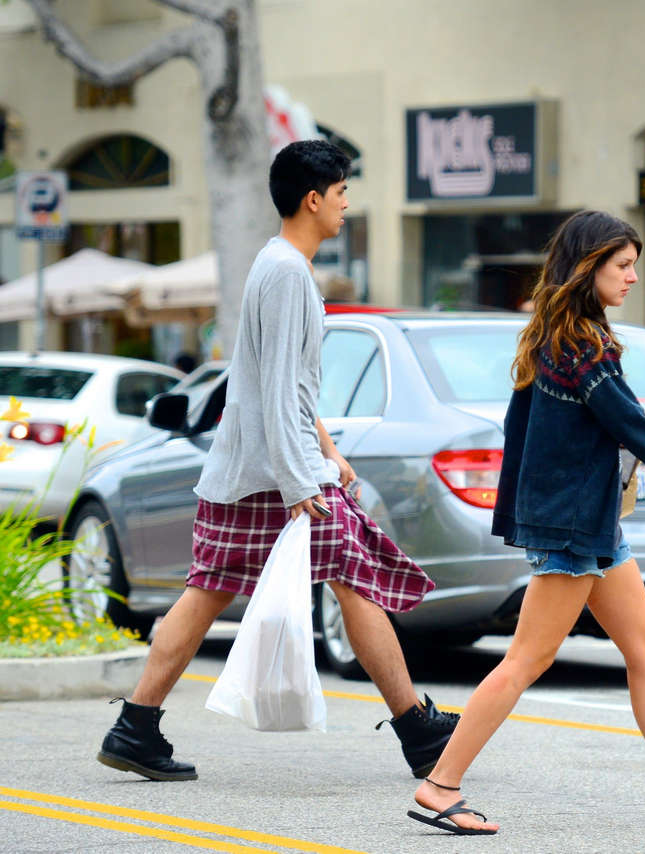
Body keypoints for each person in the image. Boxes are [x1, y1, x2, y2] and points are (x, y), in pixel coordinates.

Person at [97, 140, 458, 783]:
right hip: (277, 478)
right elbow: (279, 388)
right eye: (341, 191)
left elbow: (272, 377)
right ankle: (417, 730)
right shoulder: (289, 271)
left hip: (254, 471)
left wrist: (326, 445)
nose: (347, 202)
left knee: (208, 587)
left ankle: (135, 727)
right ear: (312, 198)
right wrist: (302, 479)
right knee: (351, 577)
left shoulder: (276, 264)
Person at [407, 211, 645, 835]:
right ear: (588, 265)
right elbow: (643, 434)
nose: (630, 278)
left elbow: (528, 437)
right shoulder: (581, 349)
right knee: (525, 660)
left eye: (633, 266)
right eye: (621, 265)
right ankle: (440, 785)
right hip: (572, 527)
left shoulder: (561, 335)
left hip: (590, 524)